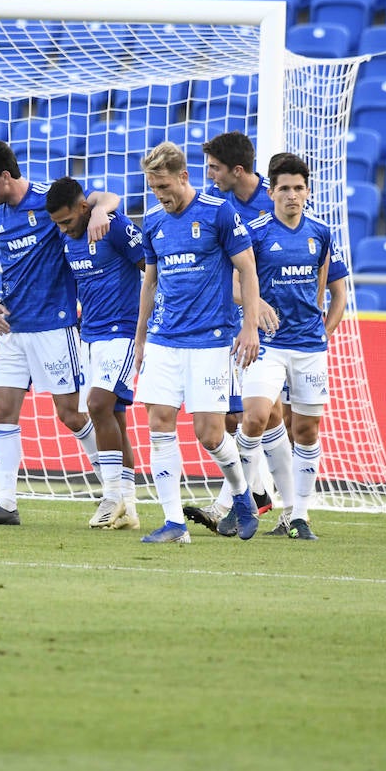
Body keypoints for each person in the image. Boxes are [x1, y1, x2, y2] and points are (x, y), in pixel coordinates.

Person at [0, 141, 114, 526]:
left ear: (5, 177)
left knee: (71, 415)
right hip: (10, 329)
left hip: (54, 327)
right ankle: (6, 504)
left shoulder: (50, 201)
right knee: (2, 410)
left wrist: (100, 212)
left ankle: (114, 493)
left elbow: (107, 196)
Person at [134, 141, 262, 544]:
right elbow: (149, 283)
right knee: (159, 424)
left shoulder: (218, 212)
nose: (160, 195)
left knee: (209, 434)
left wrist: (251, 326)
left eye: (165, 186)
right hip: (163, 340)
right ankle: (174, 523)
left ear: (183, 177)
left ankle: (242, 495)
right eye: (154, 188)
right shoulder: (153, 221)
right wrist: (140, 338)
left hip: (210, 342)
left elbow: (248, 269)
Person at [236, 153, 348, 541]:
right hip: (265, 344)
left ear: (308, 191)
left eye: (299, 188)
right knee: (254, 417)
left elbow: (333, 291)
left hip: (309, 347)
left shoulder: (321, 232)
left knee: (306, 429)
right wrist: (255, 304)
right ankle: (241, 499)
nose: (292, 195)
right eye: (284, 188)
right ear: (271, 192)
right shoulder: (255, 231)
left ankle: (298, 515)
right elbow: (235, 284)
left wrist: (325, 332)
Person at [184, 130, 276, 530]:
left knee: (272, 418)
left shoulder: (277, 197)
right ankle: (255, 497)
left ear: (237, 170)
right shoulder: (215, 203)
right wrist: (251, 309)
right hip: (239, 322)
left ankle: (268, 503)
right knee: (243, 417)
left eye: (215, 168)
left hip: (281, 324)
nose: (210, 176)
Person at [45, 175, 145, 530]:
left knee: (98, 405)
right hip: (91, 336)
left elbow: (152, 268)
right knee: (114, 419)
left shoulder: (113, 226)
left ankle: (111, 496)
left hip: (124, 331)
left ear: (84, 208)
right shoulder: (68, 233)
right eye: (58, 223)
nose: (64, 229)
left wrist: (150, 323)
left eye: (68, 221)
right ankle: (129, 508)